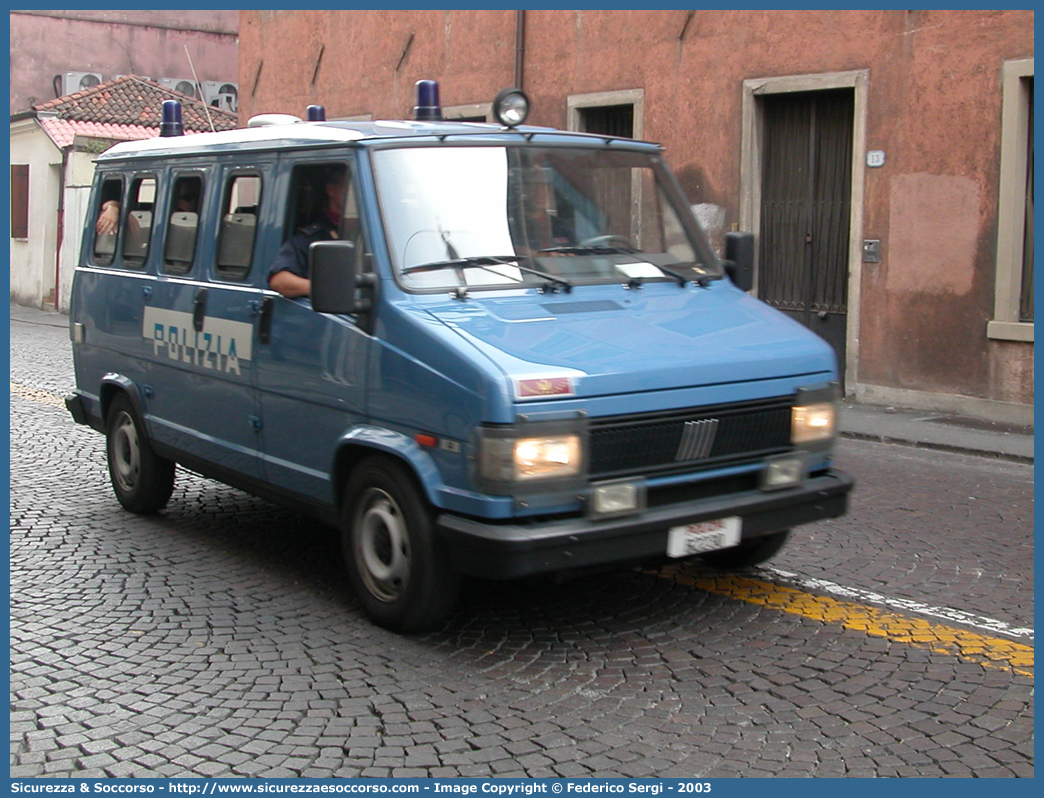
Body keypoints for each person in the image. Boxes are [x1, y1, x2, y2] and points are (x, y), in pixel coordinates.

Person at [269, 168, 346, 298]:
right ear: (331, 189)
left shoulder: (377, 233)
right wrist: (328, 290)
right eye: (351, 187)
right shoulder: (311, 238)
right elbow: (280, 281)